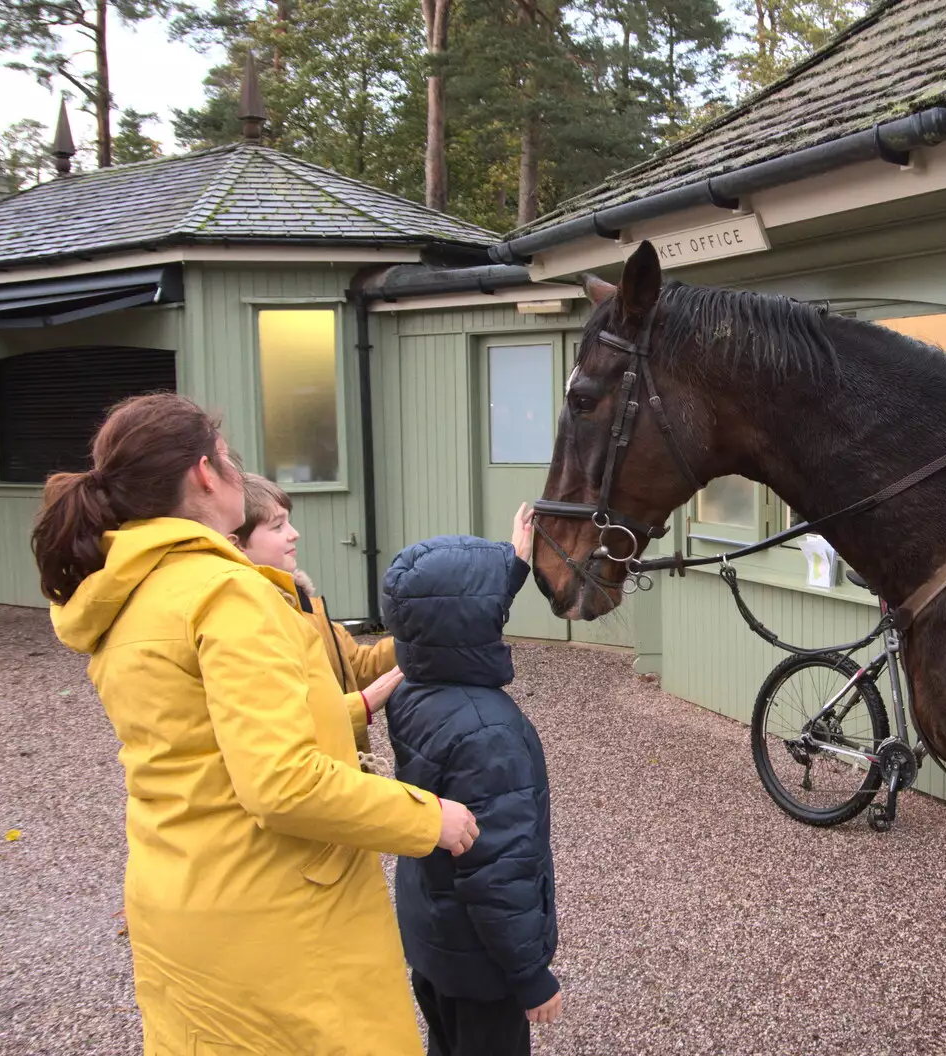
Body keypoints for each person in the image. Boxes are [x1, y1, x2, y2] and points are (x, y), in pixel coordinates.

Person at [33, 392, 481, 1054]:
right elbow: (282, 781)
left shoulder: (129, 594)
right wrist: (428, 819)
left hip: (176, 900)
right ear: (206, 472)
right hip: (276, 921)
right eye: (230, 458)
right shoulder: (227, 592)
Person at [381, 521, 562, 1056]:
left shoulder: (415, 691)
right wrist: (529, 975)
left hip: (437, 944)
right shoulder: (489, 732)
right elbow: (497, 868)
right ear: (468, 621)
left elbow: (448, 612)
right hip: (484, 966)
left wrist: (516, 564)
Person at [231, 472, 402, 753]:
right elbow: (277, 728)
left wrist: (418, 637)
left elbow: (355, 664)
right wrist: (364, 704)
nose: (294, 533)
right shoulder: (249, 616)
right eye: (277, 526)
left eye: (289, 520)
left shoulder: (300, 602)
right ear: (237, 543)